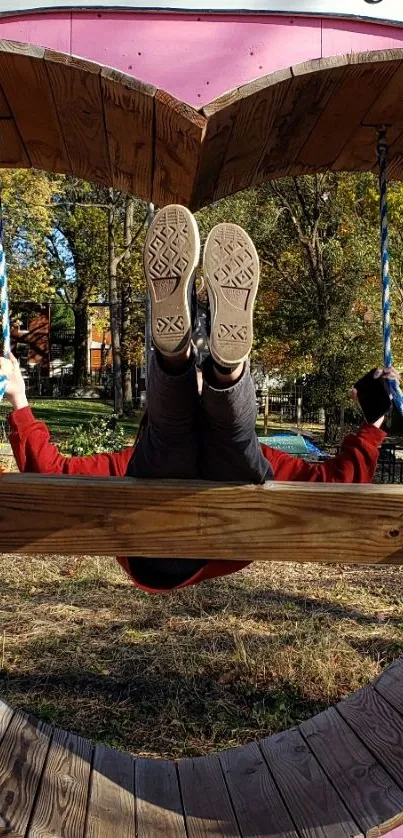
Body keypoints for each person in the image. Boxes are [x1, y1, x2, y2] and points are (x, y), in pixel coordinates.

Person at [0, 205, 398, 594]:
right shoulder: (243, 451)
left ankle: (177, 358)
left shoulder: (131, 458)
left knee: (174, 433)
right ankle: (226, 367)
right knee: (230, 438)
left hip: (151, 550)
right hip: (228, 534)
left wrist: (20, 401)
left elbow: (53, 476)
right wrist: (372, 426)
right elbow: (333, 485)